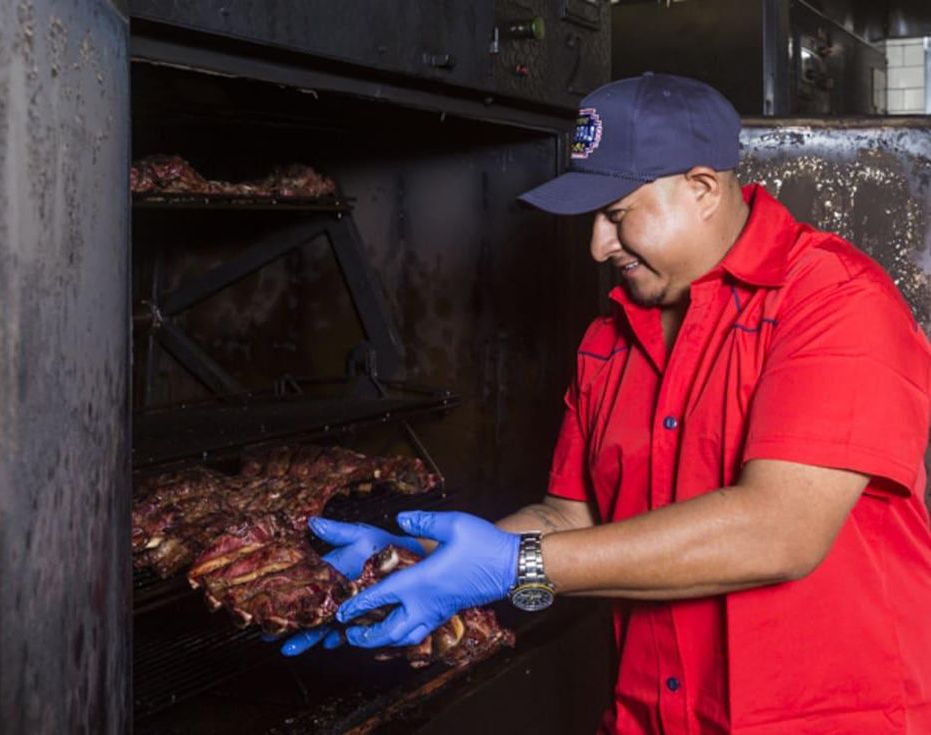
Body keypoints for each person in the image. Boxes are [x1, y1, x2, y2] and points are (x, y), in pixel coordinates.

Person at [282, 73, 931, 734]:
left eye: (617, 215)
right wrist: (413, 568)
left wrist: (514, 568)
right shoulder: (608, 342)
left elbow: (780, 532)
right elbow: (569, 519)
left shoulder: (836, 302)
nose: (598, 245)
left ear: (702, 188)